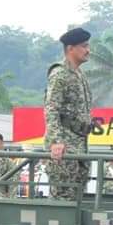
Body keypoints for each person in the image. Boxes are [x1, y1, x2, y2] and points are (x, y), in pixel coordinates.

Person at [45, 27, 95, 200]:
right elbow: (52, 109)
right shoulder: (60, 74)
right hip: (66, 144)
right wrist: (56, 142)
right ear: (70, 48)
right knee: (63, 197)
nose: (88, 50)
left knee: (77, 196)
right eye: (84, 46)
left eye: (88, 45)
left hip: (80, 143)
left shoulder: (80, 74)